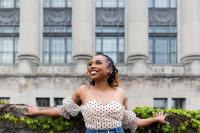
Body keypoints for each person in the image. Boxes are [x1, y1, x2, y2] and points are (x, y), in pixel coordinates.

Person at [25, 53, 168, 133]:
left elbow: (132, 121)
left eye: (98, 63)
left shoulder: (121, 93)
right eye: (90, 64)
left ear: (109, 70)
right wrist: (38, 112)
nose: (92, 66)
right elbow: (64, 110)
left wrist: (155, 120)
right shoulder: (83, 91)